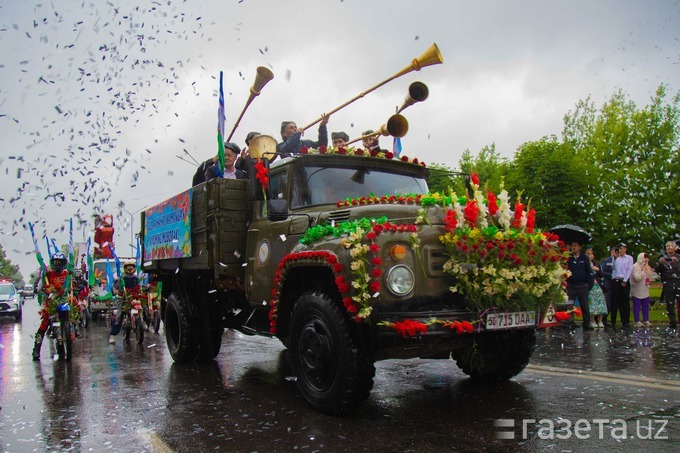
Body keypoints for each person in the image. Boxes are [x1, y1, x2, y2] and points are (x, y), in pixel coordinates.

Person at [32, 253, 70, 360]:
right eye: (55, 262)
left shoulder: (67, 274)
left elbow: (70, 286)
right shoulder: (47, 275)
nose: (57, 264)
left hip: (63, 302)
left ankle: (65, 343)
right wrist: (44, 289)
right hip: (50, 303)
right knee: (44, 324)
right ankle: (36, 349)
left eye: (60, 262)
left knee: (69, 320)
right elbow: (40, 287)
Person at [109, 260, 142, 344]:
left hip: (134, 298)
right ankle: (112, 335)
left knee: (143, 308)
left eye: (131, 266)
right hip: (124, 299)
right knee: (119, 316)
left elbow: (141, 286)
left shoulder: (137, 278)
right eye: (128, 266)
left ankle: (143, 322)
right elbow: (114, 287)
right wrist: (116, 292)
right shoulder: (121, 278)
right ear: (125, 268)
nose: (130, 268)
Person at [566, 241, 594, 330]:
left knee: (584, 305)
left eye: (575, 246)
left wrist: (588, 284)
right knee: (570, 305)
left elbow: (589, 271)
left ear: (579, 247)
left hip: (582, 285)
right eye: (572, 246)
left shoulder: (584, 258)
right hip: (571, 285)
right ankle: (570, 322)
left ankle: (586, 323)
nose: (573, 248)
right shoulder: (569, 258)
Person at [655, 240, 680, 329]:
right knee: (669, 302)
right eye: (667, 246)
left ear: (674, 247)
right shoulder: (663, 258)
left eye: (670, 246)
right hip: (668, 281)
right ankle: (672, 321)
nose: (668, 248)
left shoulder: (678, 257)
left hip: (678, 280)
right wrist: (661, 264)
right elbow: (657, 270)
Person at [610, 243, 634, 330]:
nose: (620, 250)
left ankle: (625, 321)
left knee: (624, 301)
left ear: (625, 249)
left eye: (621, 248)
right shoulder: (615, 258)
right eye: (618, 249)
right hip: (615, 280)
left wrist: (625, 280)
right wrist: (614, 258)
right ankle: (613, 321)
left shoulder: (629, 258)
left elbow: (629, 269)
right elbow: (612, 268)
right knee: (614, 301)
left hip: (624, 280)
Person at [630, 252, 655, 328]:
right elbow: (637, 278)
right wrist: (643, 271)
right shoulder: (635, 266)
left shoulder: (647, 266)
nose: (646, 259)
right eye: (645, 258)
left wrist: (647, 269)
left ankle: (646, 319)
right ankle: (637, 320)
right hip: (637, 289)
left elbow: (651, 276)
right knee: (637, 305)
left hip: (645, 288)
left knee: (645, 305)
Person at [585, 248, 608, 328]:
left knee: (600, 301)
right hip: (590, 285)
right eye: (589, 254)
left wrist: (597, 270)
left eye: (591, 254)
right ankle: (592, 320)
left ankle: (600, 320)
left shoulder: (597, 263)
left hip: (597, 285)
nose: (590, 256)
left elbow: (601, 275)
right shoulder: (585, 263)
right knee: (592, 302)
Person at [599, 245, 617, 327]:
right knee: (607, 303)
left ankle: (610, 319)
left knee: (613, 303)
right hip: (608, 284)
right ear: (612, 252)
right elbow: (602, 272)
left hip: (616, 285)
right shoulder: (606, 261)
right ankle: (603, 319)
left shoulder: (619, 261)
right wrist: (612, 275)